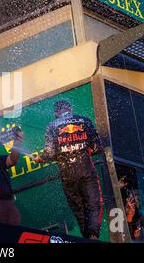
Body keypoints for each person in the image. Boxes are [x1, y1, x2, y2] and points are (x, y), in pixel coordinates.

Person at [33, 100, 103, 239]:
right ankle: (93, 236)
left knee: (78, 209)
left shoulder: (52, 126)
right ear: (70, 108)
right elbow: (97, 147)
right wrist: (80, 146)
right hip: (86, 171)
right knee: (94, 203)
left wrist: (41, 158)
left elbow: (50, 153)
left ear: (56, 113)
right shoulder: (84, 121)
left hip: (67, 175)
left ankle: (86, 238)